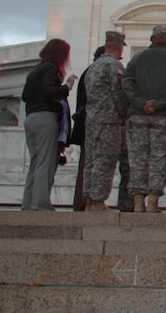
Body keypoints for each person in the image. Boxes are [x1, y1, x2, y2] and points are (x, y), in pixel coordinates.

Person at [122, 24, 166, 213]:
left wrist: (141, 103)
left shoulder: (137, 59)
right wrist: (157, 104)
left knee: (137, 159)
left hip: (138, 116)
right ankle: (152, 203)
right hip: (163, 117)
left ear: (151, 39)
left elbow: (127, 82)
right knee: (159, 159)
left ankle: (137, 202)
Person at [20, 39, 77, 211]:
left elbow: (25, 96)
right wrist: (67, 86)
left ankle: (29, 203)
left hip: (31, 117)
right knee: (46, 161)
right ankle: (41, 204)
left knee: (36, 162)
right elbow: (48, 91)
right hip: (46, 117)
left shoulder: (35, 70)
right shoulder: (51, 68)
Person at [82, 31, 129, 211]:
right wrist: (124, 115)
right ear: (119, 47)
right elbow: (119, 94)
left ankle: (89, 198)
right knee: (105, 160)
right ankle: (98, 200)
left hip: (92, 120)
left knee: (91, 160)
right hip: (109, 121)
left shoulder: (93, 67)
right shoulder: (113, 66)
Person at [69, 45, 102, 211]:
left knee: (87, 165)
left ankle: (83, 202)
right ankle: (84, 202)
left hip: (87, 126)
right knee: (88, 165)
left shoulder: (87, 72)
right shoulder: (94, 73)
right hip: (92, 126)